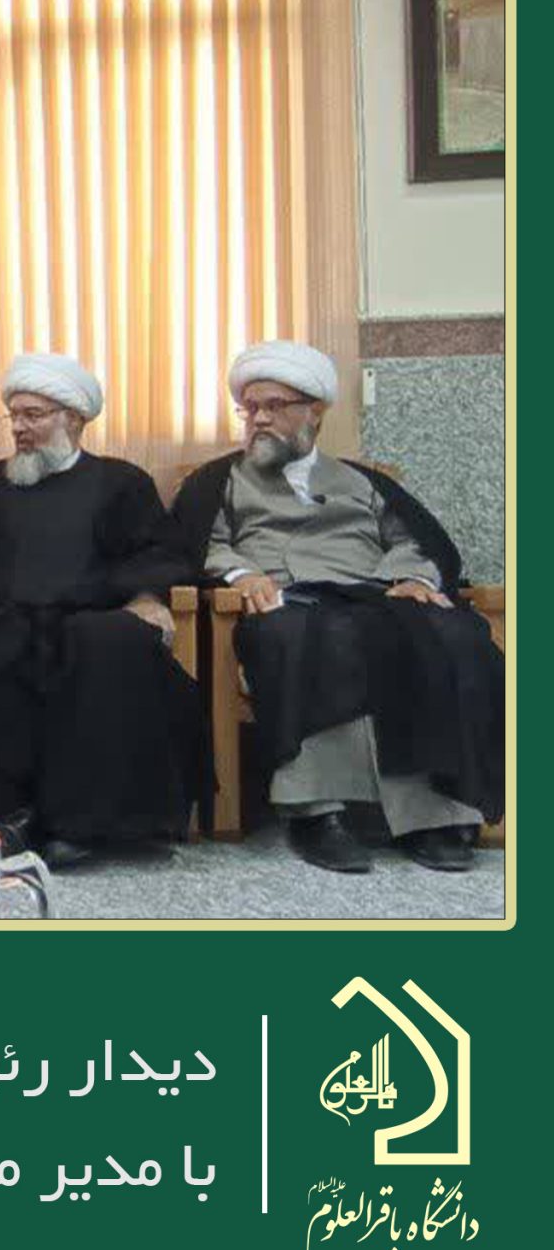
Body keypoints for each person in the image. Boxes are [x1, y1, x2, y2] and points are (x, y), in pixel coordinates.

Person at [169, 340, 502, 874]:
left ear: (315, 412)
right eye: (250, 408)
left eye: (274, 406)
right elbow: (200, 542)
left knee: (454, 636)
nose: (259, 419)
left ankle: (436, 815)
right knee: (312, 637)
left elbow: (416, 539)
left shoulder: (362, 481)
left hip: (374, 593)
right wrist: (241, 573)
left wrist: (412, 577)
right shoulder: (219, 481)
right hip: (286, 599)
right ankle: (317, 813)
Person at [0, 354, 204, 868]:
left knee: (108, 642)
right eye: (13, 415)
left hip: (91, 616)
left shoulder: (120, 481)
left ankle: (82, 824)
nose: (18, 427)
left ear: (74, 419)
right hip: (5, 616)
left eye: (32, 415)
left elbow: (160, 553)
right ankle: (8, 812)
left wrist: (146, 597)